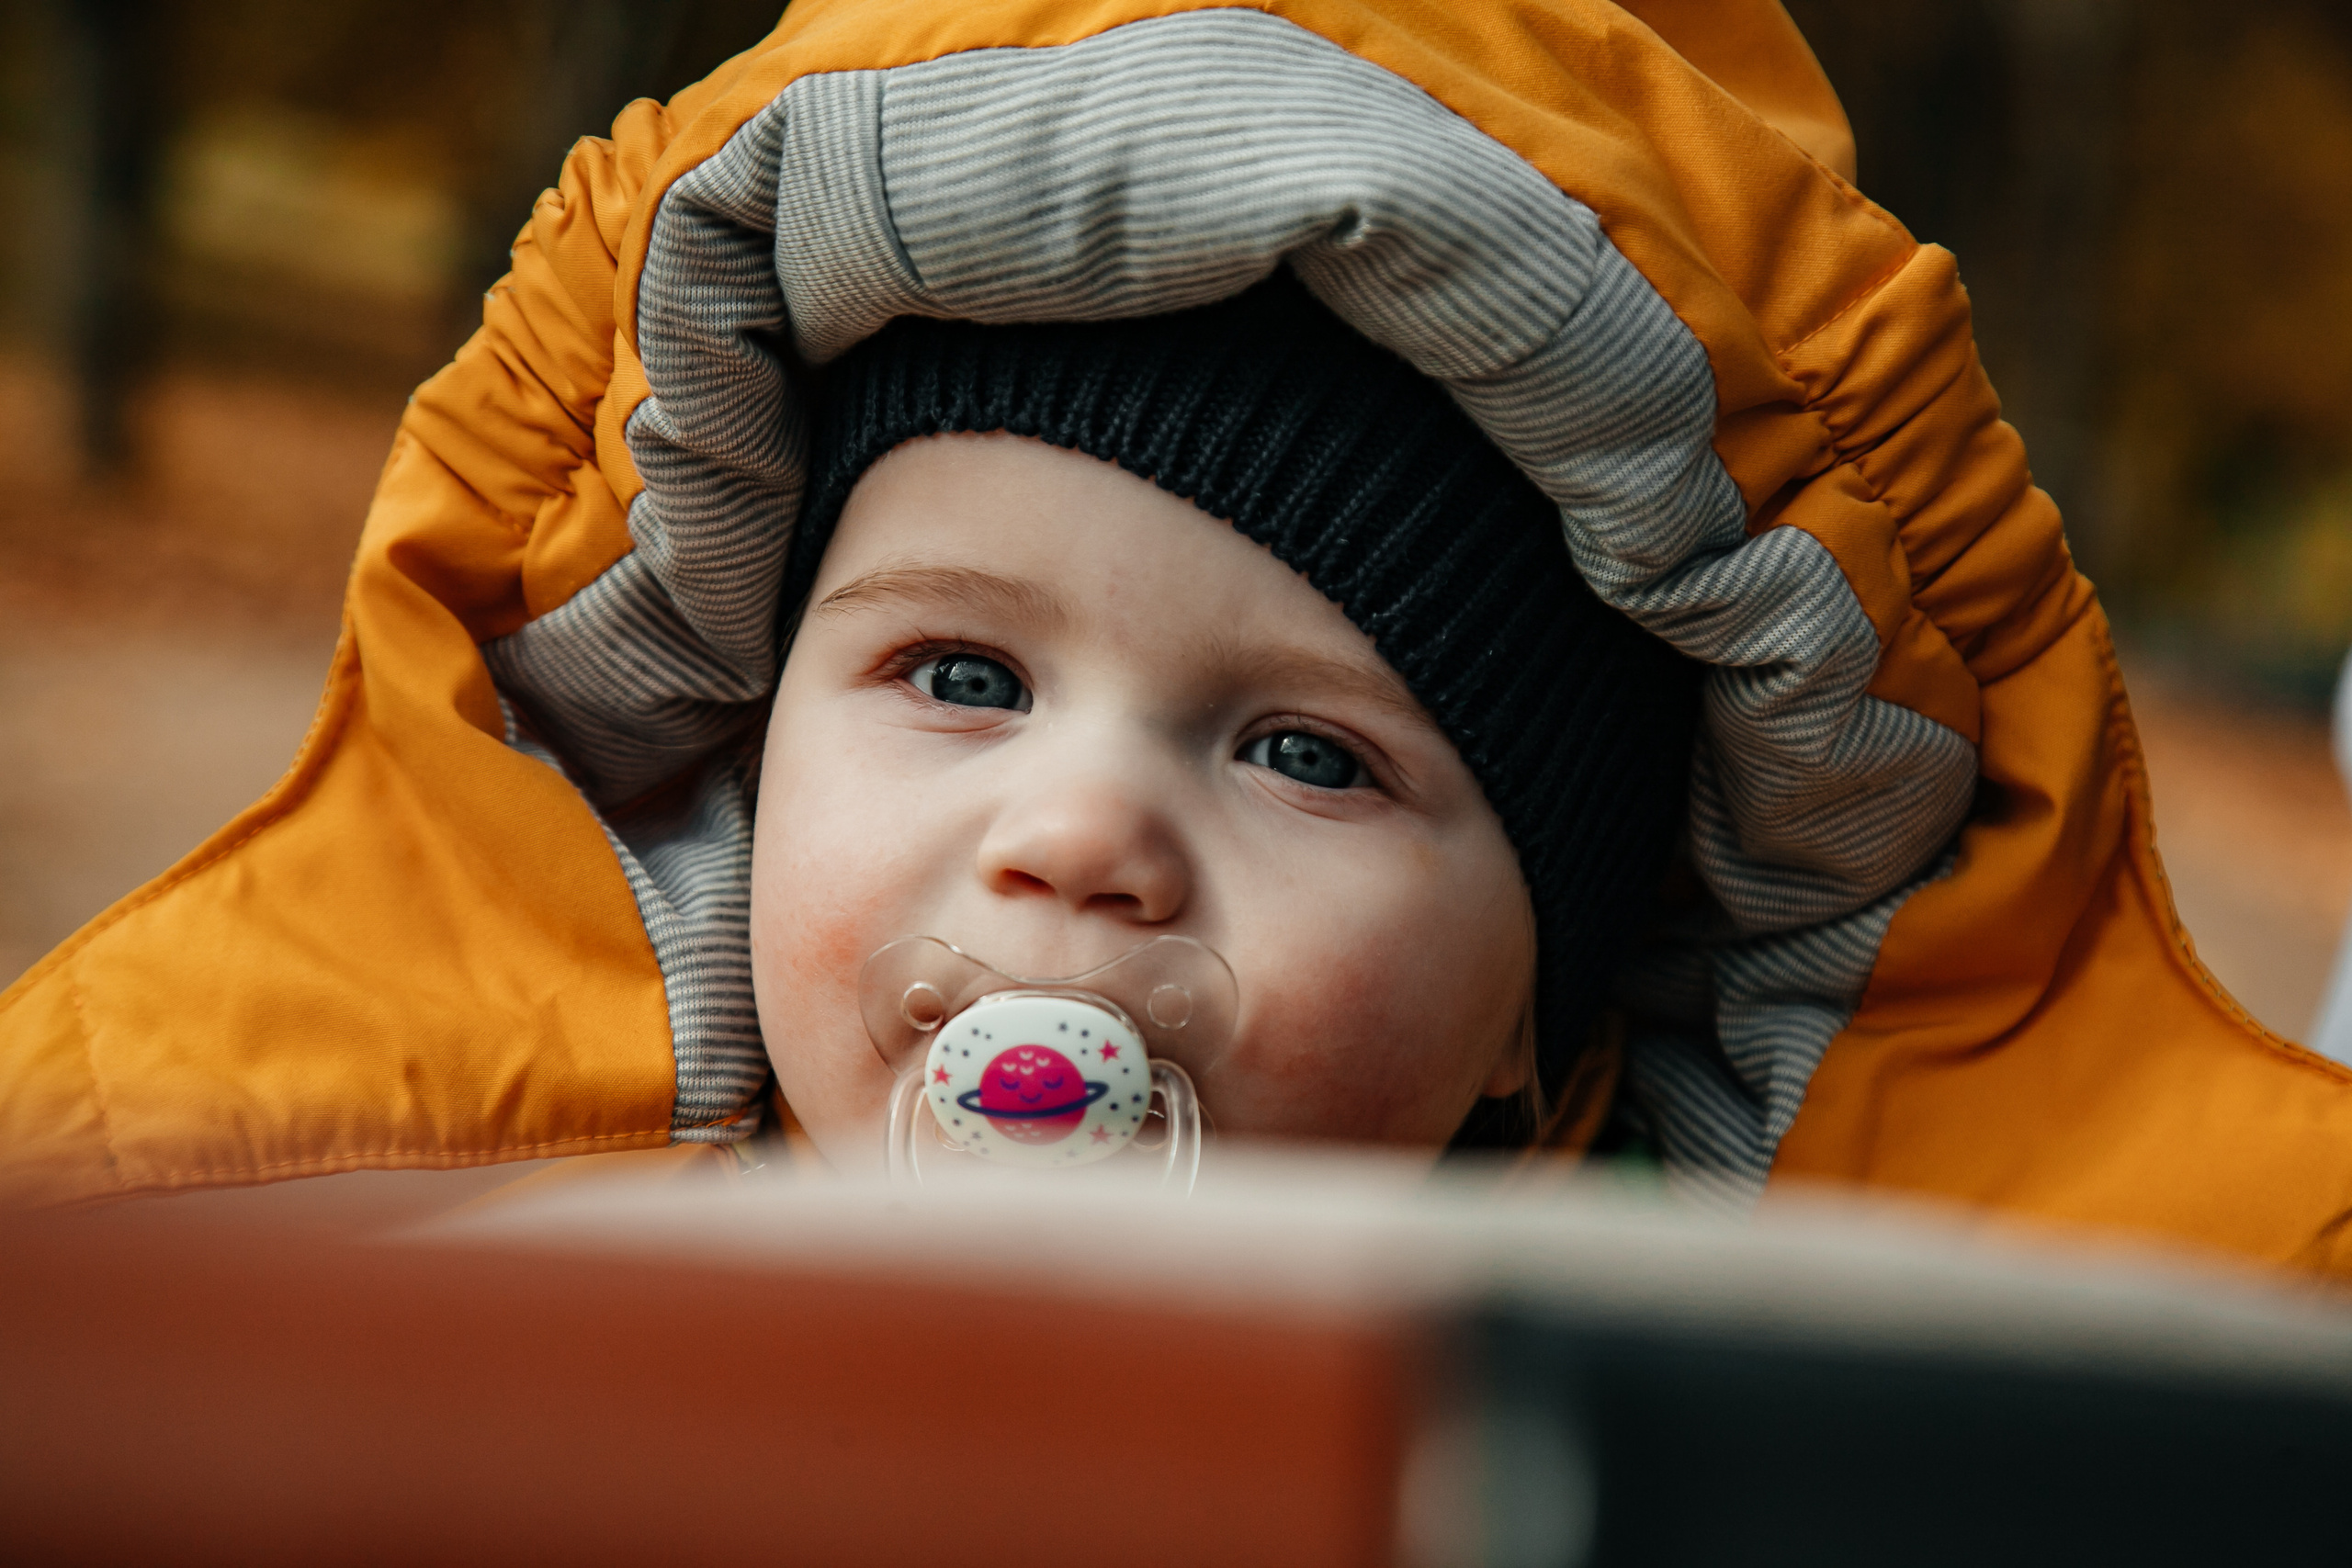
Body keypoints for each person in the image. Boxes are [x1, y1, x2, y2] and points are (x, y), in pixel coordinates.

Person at [4, 0, 2349, 1275]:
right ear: (738, 738)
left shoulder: (1668, 1375)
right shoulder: (484, 1272)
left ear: (1530, 1033)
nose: (1081, 831)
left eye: (1308, 755)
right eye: (958, 677)